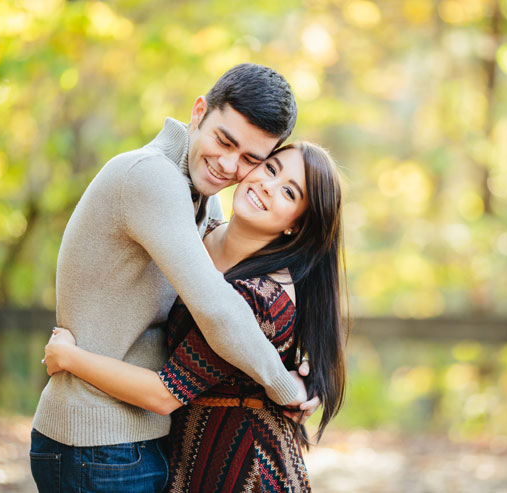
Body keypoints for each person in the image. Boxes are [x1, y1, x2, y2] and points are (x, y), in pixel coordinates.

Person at [30, 64, 319, 493]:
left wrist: (300, 364)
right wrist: (282, 384)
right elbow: (217, 307)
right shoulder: (151, 177)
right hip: (98, 438)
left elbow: (249, 295)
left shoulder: (204, 202)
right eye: (224, 141)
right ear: (199, 111)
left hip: (140, 438)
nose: (228, 165)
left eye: (250, 160)